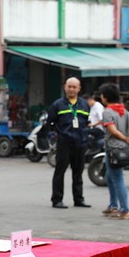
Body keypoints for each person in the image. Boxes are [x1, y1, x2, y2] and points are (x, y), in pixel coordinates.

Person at [46, 77, 91, 209]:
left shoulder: (84, 104)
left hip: (80, 142)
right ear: (65, 87)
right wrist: (57, 136)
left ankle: (79, 199)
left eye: (74, 87)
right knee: (60, 171)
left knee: (78, 172)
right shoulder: (57, 105)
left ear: (79, 88)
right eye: (69, 86)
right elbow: (50, 123)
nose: (71, 89)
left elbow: (86, 121)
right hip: (64, 142)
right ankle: (57, 199)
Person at [98, 83, 129, 220]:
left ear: (105, 97)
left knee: (117, 179)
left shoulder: (107, 112)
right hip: (123, 149)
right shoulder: (124, 111)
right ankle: (113, 206)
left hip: (113, 150)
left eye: (101, 95)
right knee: (110, 177)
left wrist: (126, 138)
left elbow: (112, 130)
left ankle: (125, 210)